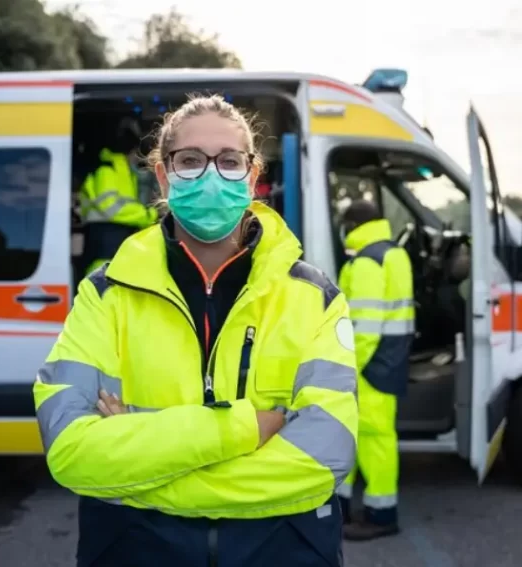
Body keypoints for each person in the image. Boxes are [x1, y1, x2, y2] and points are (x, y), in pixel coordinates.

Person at [34, 94, 359, 567]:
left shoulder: (315, 298)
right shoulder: (105, 294)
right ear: (163, 175)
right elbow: (70, 450)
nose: (210, 175)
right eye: (190, 160)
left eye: (229, 161)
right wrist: (246, 428)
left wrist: (141, 467)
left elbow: (322, 459)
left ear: (252, 177)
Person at [334, 199, 415, 541]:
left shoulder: (366, 262)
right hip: (389, 360)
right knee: (368, 438)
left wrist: (345, 369)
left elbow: (364, 328)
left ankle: (381, 515)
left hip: (369, 366)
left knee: (371, 441)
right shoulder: (393, 253)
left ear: (351, 227)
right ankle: (347, 508)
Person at [79, 117, 159, 275]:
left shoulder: (124, 172)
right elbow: (111, 208)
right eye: (137, 153)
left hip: (116, 248)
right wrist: (149, 215)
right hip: (104, 252)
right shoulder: (107, 170)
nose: (138, 159)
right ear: (131, 151)